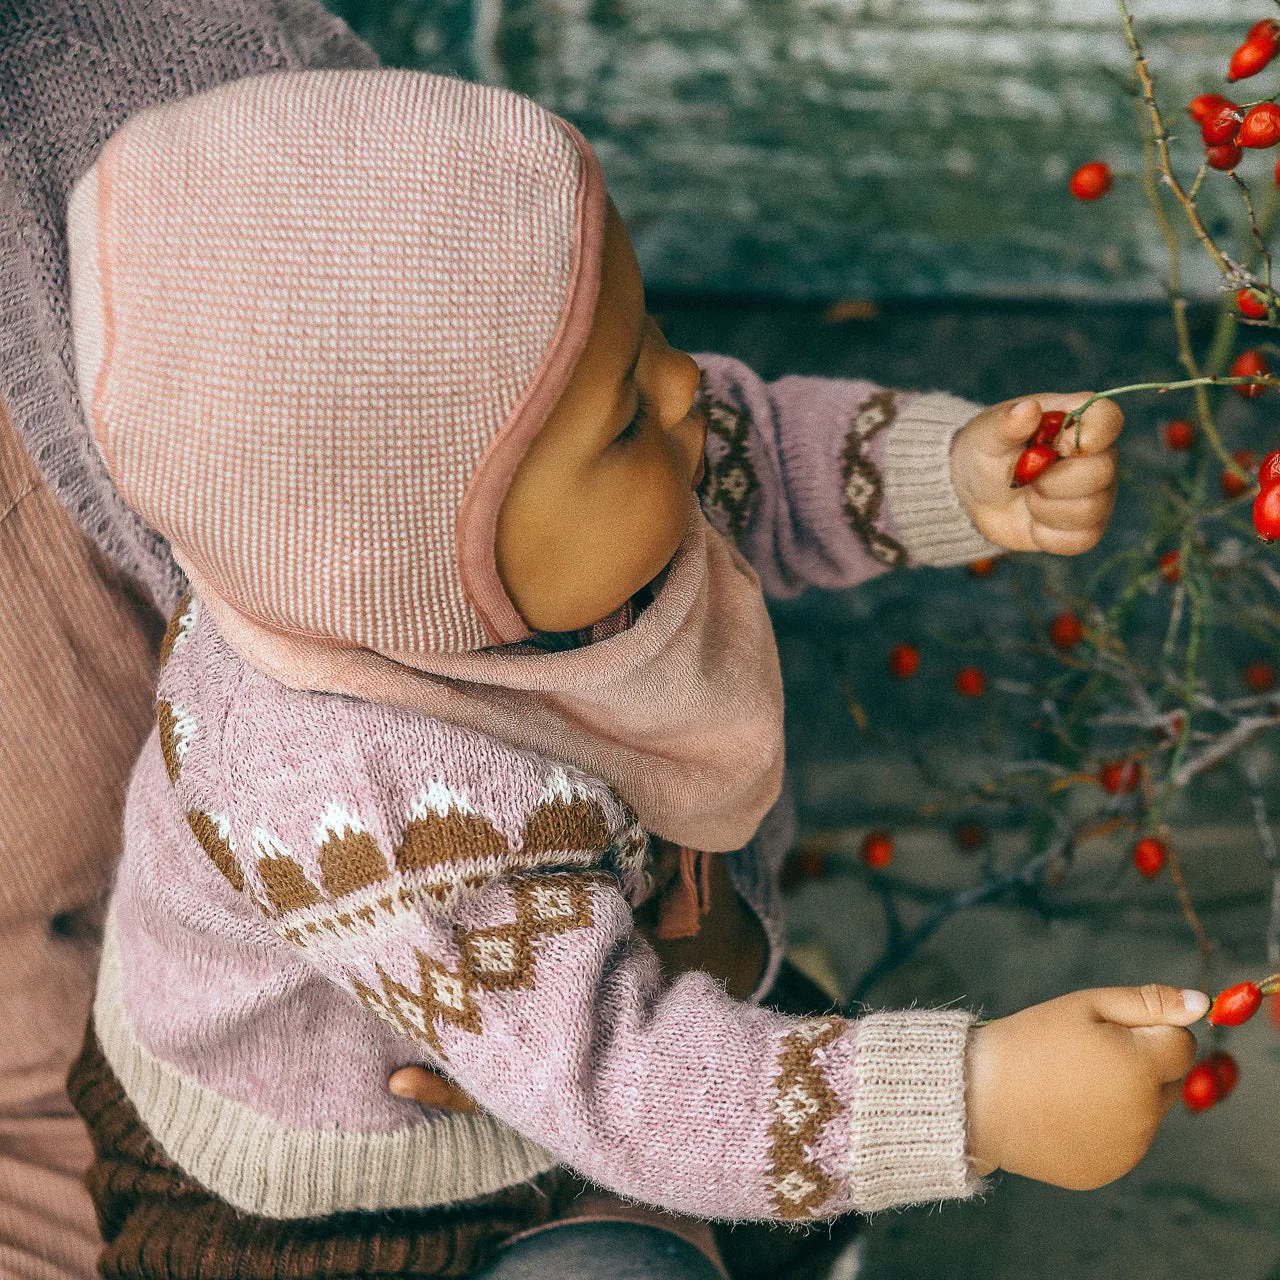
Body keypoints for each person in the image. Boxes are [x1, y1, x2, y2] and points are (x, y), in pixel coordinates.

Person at [57, 66, 1207, 1280]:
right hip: (349, 1201)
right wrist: (975, 1098)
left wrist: (953, 474)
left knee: (790, 1115)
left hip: (579, 1017)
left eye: (644, 329)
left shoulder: (596, 499)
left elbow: (759, 447)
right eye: (618, 411)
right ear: (416, 560)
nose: (679, 385)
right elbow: (630, 1081)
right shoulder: (356, 781)